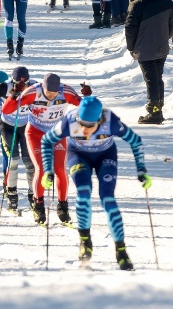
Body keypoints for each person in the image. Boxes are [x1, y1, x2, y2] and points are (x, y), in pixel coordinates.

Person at [42, 95, 149, 268]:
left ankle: (121, 250)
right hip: (78, 155)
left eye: (90, 126)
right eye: (81, 124)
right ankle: (85, 241)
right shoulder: (69, 121)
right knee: (83, 192)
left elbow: (135, 141)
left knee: (108, 198)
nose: (84, 130)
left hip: (105, 156)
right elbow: (47, 141)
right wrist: (48, 170)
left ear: (99, 121)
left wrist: (141, 169)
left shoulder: (110, 121)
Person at [3, 73, 83, 226]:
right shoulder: (32, 92)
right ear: (42, 87)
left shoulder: (66, 92)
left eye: (54, 92)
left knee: (60, 169)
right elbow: (7, 110)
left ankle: (63, 206)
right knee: (41, 168)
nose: (51, 95)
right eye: (48, 92)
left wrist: (87, 101)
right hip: (35, 133)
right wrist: (13, 96)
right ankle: (38, 205)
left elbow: (84, 106)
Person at [124, 0, 173, 124]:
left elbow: (130, 28)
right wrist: (164, 36)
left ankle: (154, 113)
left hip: (144, 49)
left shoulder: (137, 5)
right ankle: (158, 109)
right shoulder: (166, 2)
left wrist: (131, 47)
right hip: (161, 48)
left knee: (151, 80)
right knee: (157, 77)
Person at [0, 65, 35, 211]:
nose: (22, 85)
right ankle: (12, 194)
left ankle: (33, 195)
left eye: (25, 82)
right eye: (18, 82)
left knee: (29, 163)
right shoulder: (5, 87)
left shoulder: (34, 87)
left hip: (26, 127)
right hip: (8, 126)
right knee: (13, 160)